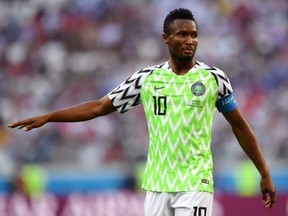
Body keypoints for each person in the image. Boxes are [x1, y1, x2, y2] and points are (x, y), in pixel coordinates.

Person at [8, 8, 275, 216]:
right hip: (157, 184)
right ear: (166, 38)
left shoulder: (213, 79)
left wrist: (263, 173)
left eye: (194, 35)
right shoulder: (146, 79)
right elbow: (100, 107)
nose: (190, 40)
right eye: (182, 34)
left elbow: (239, 126)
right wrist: (49, 116)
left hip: (195, 181)